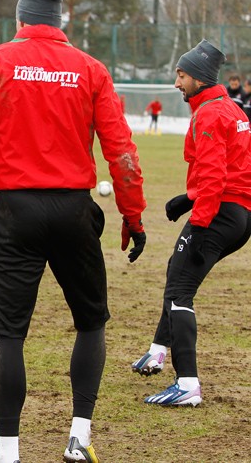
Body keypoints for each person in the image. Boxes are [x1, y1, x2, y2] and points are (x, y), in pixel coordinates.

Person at [0, 0, 146, 463]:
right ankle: (78, 437)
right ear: (60, 24)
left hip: (15, 212)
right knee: (91, 324)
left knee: (9, 336)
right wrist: (132, 216)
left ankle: (8, 451)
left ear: (20, 20)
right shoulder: (90, 68)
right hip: (75, 210)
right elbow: (122, 151)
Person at [131, 40, 251, 408]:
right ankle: (156, 352)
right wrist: (189, 197)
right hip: (239, 213)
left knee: (181, 291)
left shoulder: (211, 114)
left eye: (181, 75)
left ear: (198, 77)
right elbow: (230, 167)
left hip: (220, 213)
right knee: (176, 272)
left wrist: (199, 223)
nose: (176, 82)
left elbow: (215, 176)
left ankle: (187, 384)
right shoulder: (230, 108)